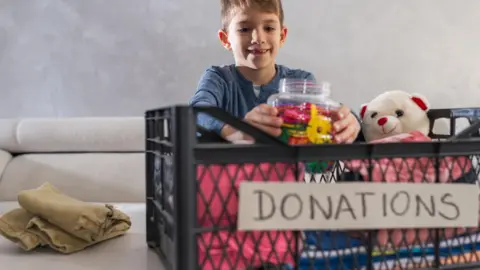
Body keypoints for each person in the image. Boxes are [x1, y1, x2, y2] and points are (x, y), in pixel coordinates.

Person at [190, 0, 362, 143]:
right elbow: (197, 112)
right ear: (225, 39)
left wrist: (350, 121)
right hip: (228, 180)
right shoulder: (218, 79)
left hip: (286, 182)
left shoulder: (301, 81)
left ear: (282, 36)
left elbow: (324, 112)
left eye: (269, 28)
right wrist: (238, 131)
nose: (258, 38)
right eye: (244, 29)